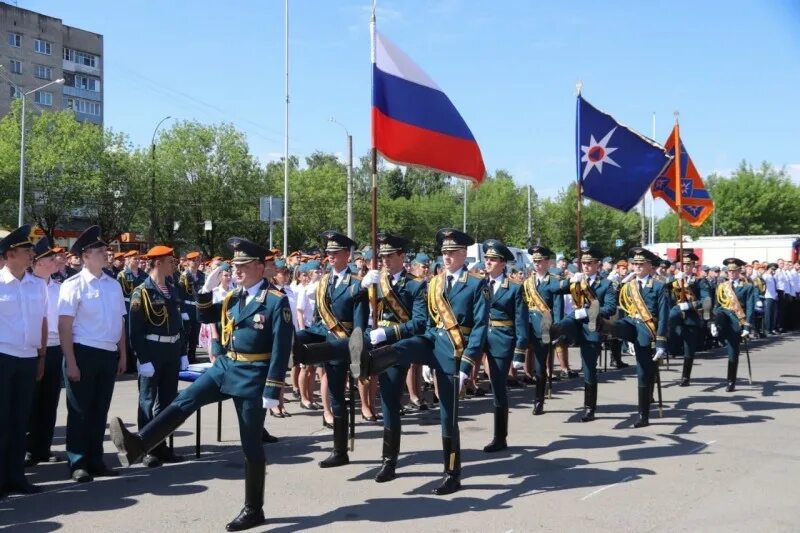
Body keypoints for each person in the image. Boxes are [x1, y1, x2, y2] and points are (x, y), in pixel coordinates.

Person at [110, 237, 293, 531]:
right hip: (225, 367)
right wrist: (205, 290)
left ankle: (253, 508)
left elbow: (282, 348)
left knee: (251, 445)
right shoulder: (234, 297)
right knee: (185, 399)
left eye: (243, 266)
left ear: (260, 267)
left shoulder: (275, 300)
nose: (237, 271)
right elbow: (205, 315)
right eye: (235, 266)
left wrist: (273, 388)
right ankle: (139, 445)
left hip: (253, 374)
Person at [351, 228, 488, 495]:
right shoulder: (435, 282)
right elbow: (426, 324)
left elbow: (480, 327)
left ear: (463, 254)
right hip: (430, 340)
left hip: (454, 350)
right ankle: (369, 362)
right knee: (400, 348)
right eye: (444, 253)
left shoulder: (476, 284)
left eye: (452, 252)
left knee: (448, 414)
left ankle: (452, 472)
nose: (446, 257)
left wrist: (467, 364)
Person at [347, 232, 427, 481]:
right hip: (373, 340)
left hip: (397, 345)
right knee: (375, 391)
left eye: (389, 256)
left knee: (390, 400)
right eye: (381, 256)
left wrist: (388, 332)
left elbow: (420, 323)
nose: (384, 261)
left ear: (402, 257)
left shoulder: (416, 284)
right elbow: (350, 301)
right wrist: (360, 286)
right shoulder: (375, 279)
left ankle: (389, 460)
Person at [292, 231, 368, 467]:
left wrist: (354, 357)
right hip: (323, 332)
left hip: (342, 343)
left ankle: (339, 451)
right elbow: (317, 319)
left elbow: (358, 328)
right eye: (329, 253)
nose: (331, 257)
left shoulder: (357, 285)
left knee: (336, 396)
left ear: (347, 254)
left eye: (335, 253)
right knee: (290, 337)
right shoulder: (324, 281)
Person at [58, 225, 127, 482]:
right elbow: (64, 325)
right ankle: (78, 462)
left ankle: (96, 459)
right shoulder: (72, 285)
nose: (106, 254)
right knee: (80, 410)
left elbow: (120, 322)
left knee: (100, 409)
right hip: (83, 351)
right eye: (100, 250)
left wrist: (122, 354)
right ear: (85, 256)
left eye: (105, 250)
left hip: (107, 353)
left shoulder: (113, 284)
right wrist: (71, 362)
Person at [128, 245, 187, 467]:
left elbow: (179, 323)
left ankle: (161, 446)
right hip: (152, 351)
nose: (174, 264)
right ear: (158, 262)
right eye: (170, 261)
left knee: (167, 401)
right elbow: (134, 331)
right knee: (147, 401)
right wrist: (143, 359)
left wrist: (182, 352)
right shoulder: (141, 292)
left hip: (171, 351)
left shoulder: (172, 289)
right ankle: (145, 448)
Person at [0, 226, 47, 496]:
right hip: (3, 356)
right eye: (27, 250)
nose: (32, 254)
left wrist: (41, 355)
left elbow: (42, 320)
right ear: (10, 254)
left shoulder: (36, 284)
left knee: (20, 420)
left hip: (28, 357)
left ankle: (17, 477)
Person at [603, 247, 669, 427]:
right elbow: (625, 310)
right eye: (635, 264)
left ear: (649, 266)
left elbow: (664, 315)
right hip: (631, 325)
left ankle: (643, 416)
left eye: (641, 264)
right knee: (617, 325)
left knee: (643, 372)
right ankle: (603, 325)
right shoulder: (628, 285)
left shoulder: (658, 285)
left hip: (648, 331)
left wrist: (662, 341)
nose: (637, 267)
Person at [551, 245, 617, 422]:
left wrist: (588, 311)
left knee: (588, 369)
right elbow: (555, 289)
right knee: (566, 321)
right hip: (574, 324)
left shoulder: (606, 285)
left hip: (591, 328)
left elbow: (609, 308)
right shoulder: (578, 280)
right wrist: (570, 282)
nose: (586, 266)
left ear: (598, 265)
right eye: (583, 263)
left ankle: (589, 408)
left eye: (590, 263)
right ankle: (553, 332)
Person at [475, 239, 527, 452]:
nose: (488, 262)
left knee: (498, 387)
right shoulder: (479, 283)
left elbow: (520, 320)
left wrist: (520, 350)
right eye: (486, 258)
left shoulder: (514, 287)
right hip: (479, 336)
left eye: (493, 259)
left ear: (503, 263)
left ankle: (500, 436)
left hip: (501, 338)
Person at [25, 237, 65, 467]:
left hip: (55, 347)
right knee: (31, 401)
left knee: (50, 402)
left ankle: (43, 448)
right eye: (51, 258)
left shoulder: (59, 287)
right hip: (32, 349)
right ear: (38, 263)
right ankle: (28, 448)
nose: (56, 261)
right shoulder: (28, 285)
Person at [522, 245, 564, 415]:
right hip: (528, 328)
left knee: (540, 367)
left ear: (547, 262)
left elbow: (558, 307)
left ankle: (538, 401)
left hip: (544, 329)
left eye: (540, 261)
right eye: (535, 261)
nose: (537, 264)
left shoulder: (554, 281)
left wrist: (557, 330)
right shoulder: (528, 282)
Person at [710, 258, 756, 392]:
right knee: (720, 313)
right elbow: (716, 306)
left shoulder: (747, 287)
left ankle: (731, 381)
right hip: (722, 319)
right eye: (729, 271)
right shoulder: (722, 286)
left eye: (734, 271)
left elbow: (750, 307)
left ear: (739, 271)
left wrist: (747, 327)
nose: (731, 273)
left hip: (736, 322)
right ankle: (716, 329)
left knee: (733, 352)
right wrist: (713, 322)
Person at [669, 252, 712, 386]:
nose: (685, 267)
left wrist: (689, 305)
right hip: (675, 318)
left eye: (688, 264)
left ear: (693, 265)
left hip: (691, 318)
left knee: (689, 350)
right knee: (673, 347)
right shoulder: (675, 279)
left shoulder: (700, 281)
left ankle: (685, 376)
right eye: (683, 264)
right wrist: (673, 279)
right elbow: (662, 289)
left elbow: (706, 300)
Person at [118, 250, 148, 373]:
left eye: (138, 258)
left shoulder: (143, 275)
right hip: (127, 306)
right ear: (128, 260)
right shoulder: (122, 275)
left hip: (141, 307)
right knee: (128, 334)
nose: (137, 261)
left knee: (140, 332)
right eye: (134, 258)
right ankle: (129, 364)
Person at [179, 251, 205, 364]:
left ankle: (192, 356)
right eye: (194, 260)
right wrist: (183, 311)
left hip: (197, 307)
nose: (196, 263)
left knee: (195, 333)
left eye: (198, 260)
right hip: (188, 306)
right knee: (186, 334)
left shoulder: (201, 275)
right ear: (188, 262)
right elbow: (180, 295)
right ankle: (183, 357)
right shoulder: (184, 276)